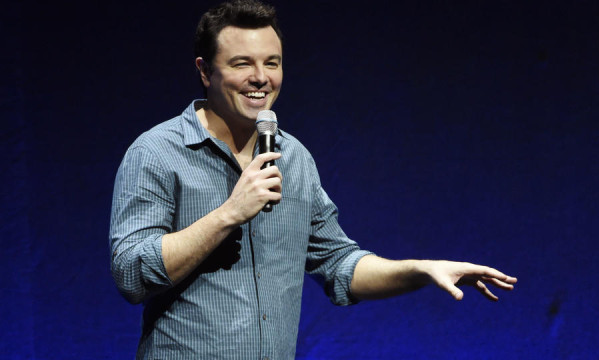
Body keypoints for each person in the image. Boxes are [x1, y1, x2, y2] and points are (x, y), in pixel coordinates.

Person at [109, 0, 518, 359]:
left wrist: (421, 270)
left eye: (272, 63)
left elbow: (340, 266)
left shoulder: (295, 159)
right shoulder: (157, 153)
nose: (260, 78)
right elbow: (130, 274)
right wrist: (228, 214)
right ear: (204, 71)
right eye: (241, 64)